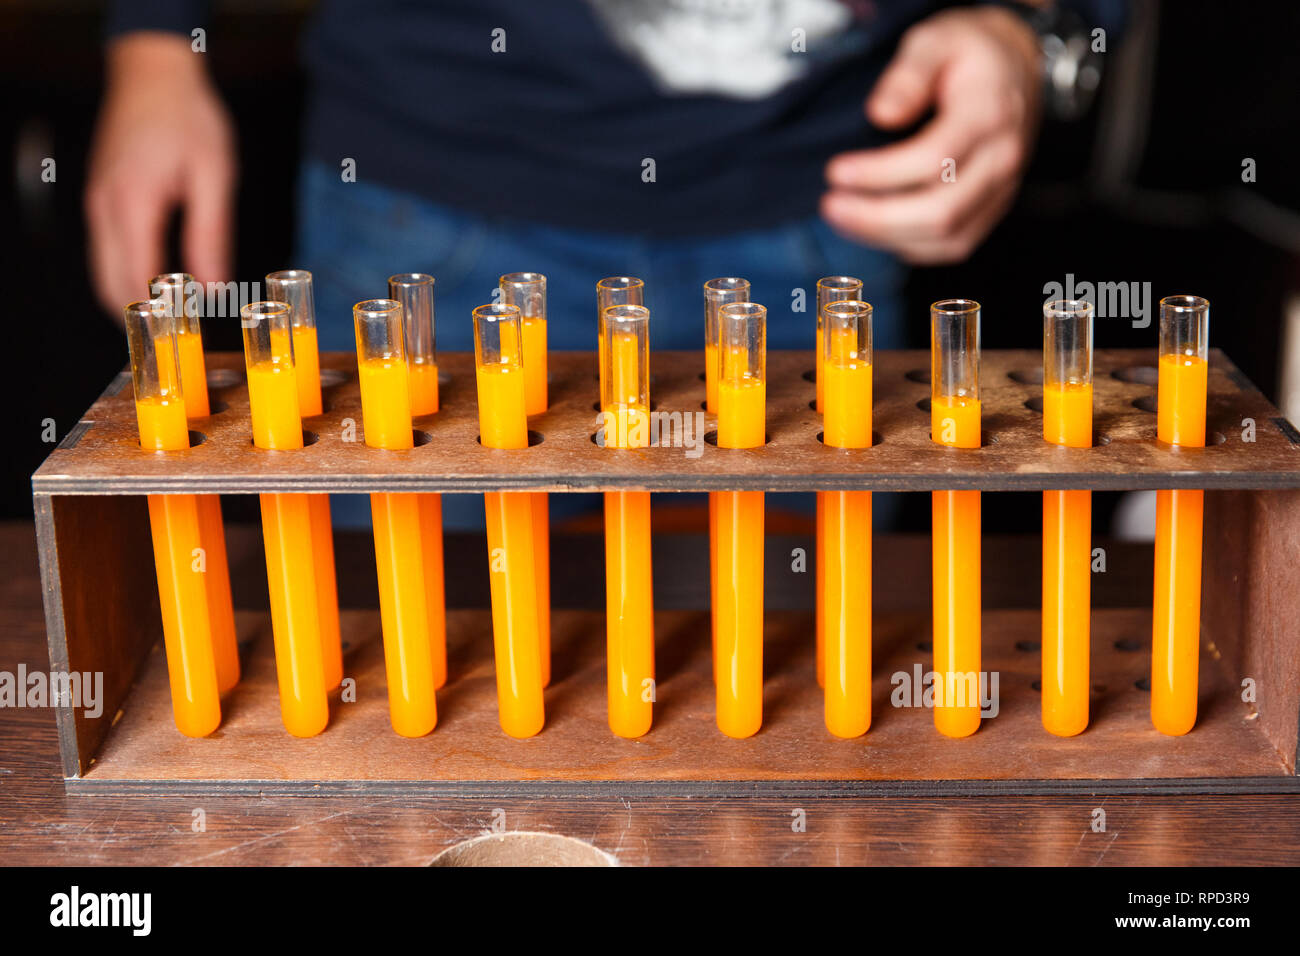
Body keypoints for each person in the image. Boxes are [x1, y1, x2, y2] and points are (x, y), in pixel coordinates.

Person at [87, 0, 1117, 526]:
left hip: (830, 224)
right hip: (427, 216)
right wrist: (151, 38)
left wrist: (1037, 32)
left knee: (807, 738)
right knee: (396, 721)